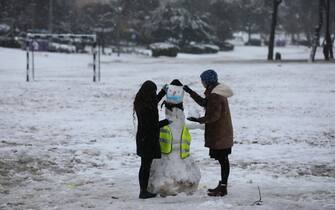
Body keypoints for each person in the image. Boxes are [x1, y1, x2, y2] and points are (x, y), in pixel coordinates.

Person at [183, 69, 234, 197]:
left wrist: (198, 120)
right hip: (222, 132)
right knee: (223, 160)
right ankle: (223, 185)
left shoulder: (215, 95)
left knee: (223, 160)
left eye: (202, 81)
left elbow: (214, 116)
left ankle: (223, 188)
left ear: (207, 81)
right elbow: (204, 103)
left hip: (220, 134)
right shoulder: (216, 92)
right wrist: (190, 92)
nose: (202, 83)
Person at [133, 80, 170, 199]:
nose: (155, 94)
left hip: (144, 138)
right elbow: (152, 125)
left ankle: (144, 190)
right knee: (145, 165)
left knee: (145, 164)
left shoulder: (143, 101)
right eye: (153, 92)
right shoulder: (145, 108)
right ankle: (143, 191)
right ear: (149, 92)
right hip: (147, 139)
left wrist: (162, 92)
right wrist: (166, 122)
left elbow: (154, 102)